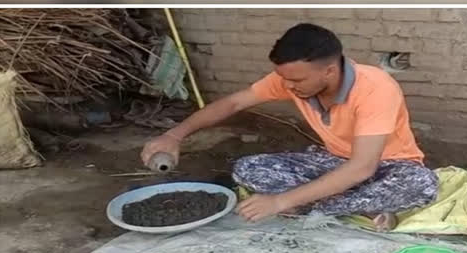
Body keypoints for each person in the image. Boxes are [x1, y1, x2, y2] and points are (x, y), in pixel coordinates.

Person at [141, 23, 439, 232]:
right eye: (284, 79)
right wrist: (174, 135)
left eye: (297, 81)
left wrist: (281, 200)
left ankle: (311, 203)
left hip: (390, 167)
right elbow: (233, 104)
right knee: (248, 168)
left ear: (330, 70)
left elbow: (363, 167)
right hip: (334, 162)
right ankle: (355, 205)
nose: (289, 86)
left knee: (421, 185)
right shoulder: (289, 80)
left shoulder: (375, 88)